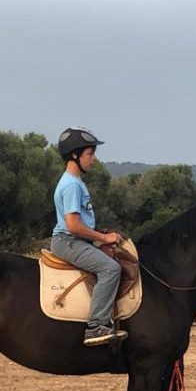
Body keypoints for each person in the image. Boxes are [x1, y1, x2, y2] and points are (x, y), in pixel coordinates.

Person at [50, 127, 128, 347]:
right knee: (110, 269)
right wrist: (103, 239)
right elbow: (73, 225)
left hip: (75, 239)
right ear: (75, 155)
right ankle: (96, 326)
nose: (94, 159)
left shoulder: (74, 182)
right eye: (90, 154)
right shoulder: (72, 185)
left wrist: (100, 233)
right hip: (69, 241)